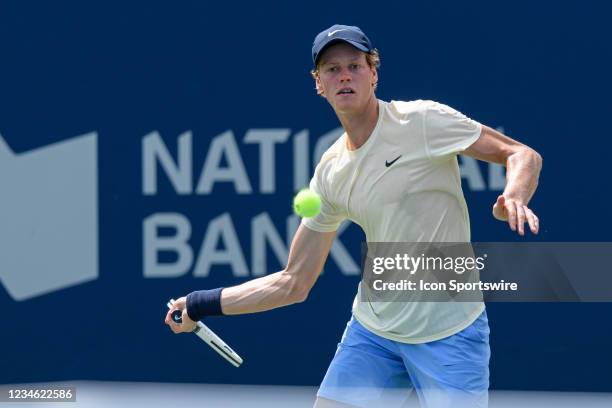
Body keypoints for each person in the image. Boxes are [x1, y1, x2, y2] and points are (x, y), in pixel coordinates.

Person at [165, 24, 542, 408]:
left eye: (355, 66)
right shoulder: (331, 172)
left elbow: (521, 154)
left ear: (373, 74)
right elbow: (293, 282)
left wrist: (514, 194)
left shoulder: (424, 122)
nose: (344, 75)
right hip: (374, 335)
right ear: (319, 84)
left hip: (451, 332)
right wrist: (199, 302)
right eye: (331, 69)